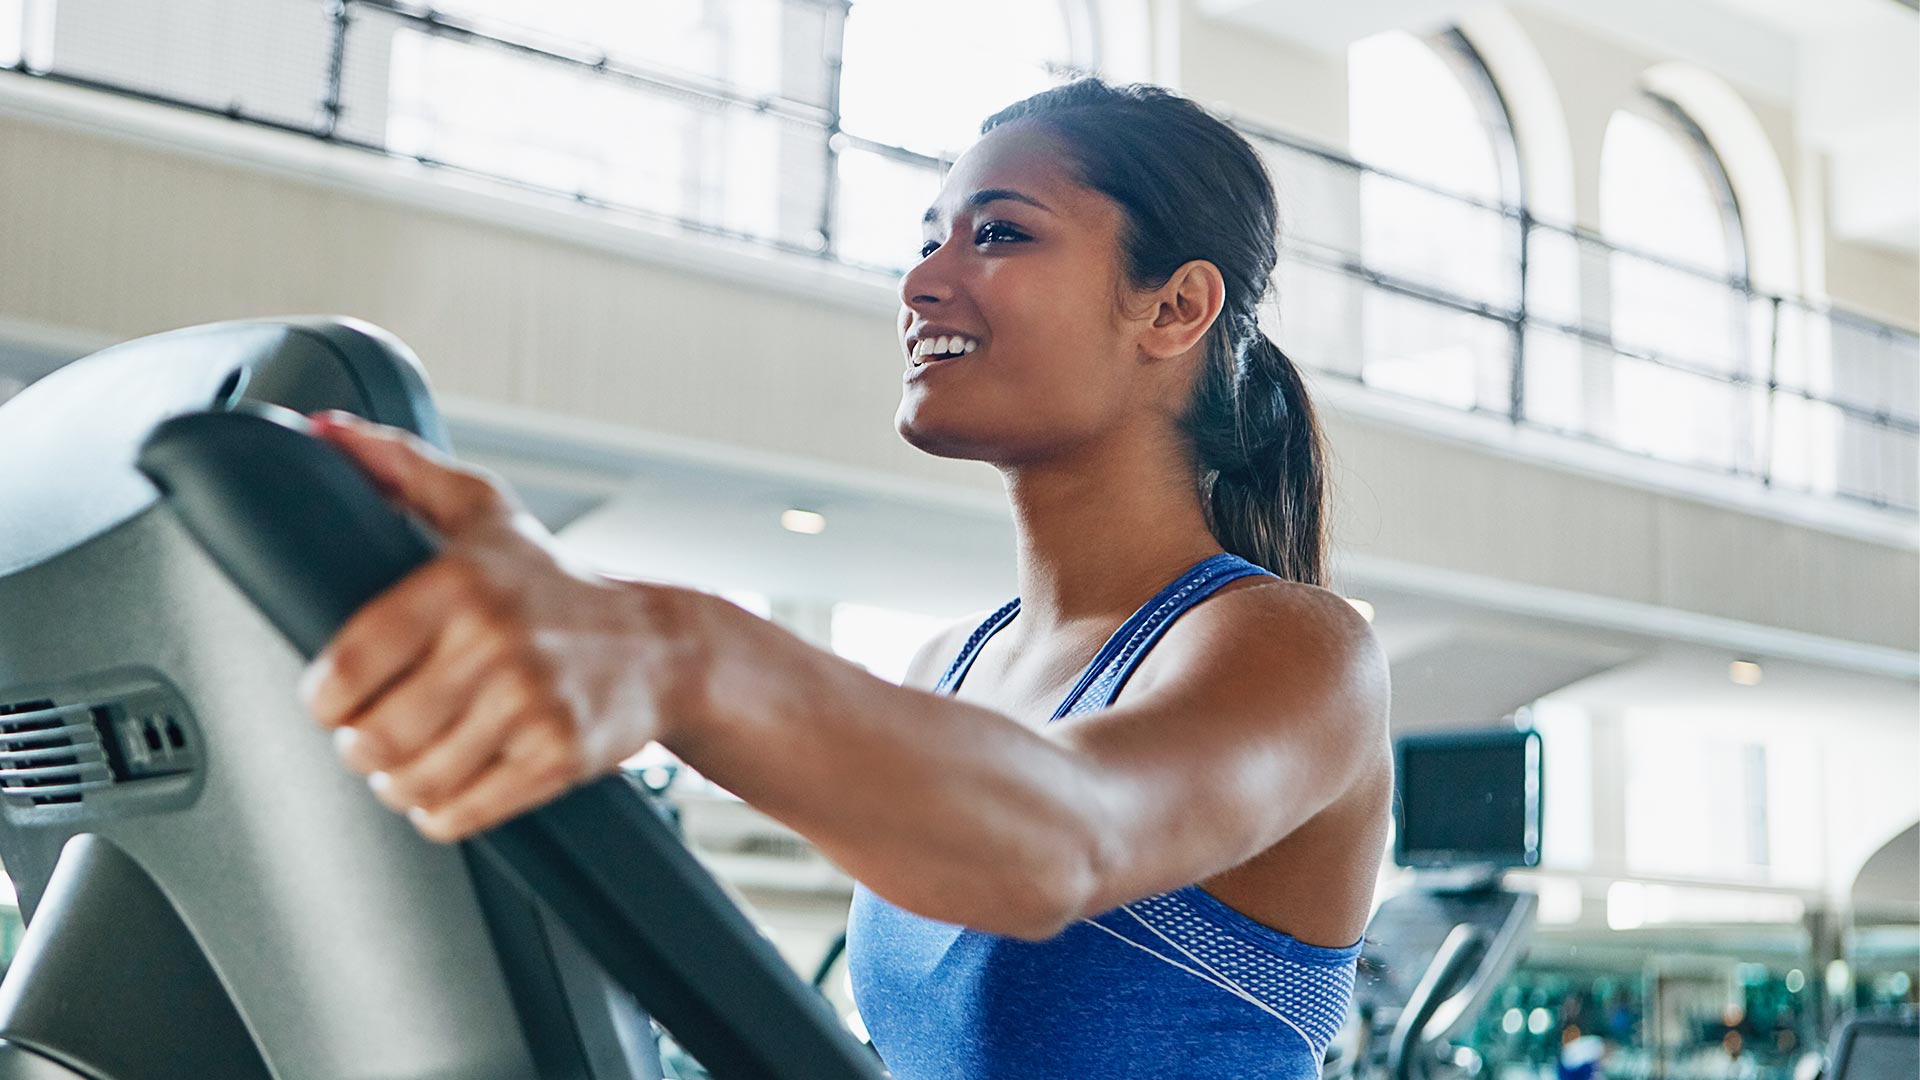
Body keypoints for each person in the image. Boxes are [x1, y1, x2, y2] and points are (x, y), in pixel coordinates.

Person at [299, 78, 1392, 1079]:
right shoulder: (950, 669)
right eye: (927, 242)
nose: (922, 283)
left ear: (1172, 309)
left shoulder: (1297, 649)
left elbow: (1063, 842)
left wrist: (673, 653)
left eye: (1000, 233)